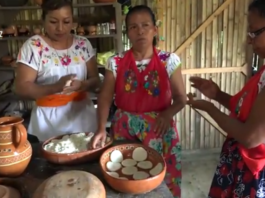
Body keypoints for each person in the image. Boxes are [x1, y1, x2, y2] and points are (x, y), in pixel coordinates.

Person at [90, 5, 186, 198]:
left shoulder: (169, 60)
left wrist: (168, 114)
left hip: (160, 129)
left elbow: (181, 98)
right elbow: (105, 97)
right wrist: (101, 128)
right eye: (133, 27)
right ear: (127, 32)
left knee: (160, 184)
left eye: (145, 25)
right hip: (124, 129)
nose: (140, 31)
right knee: (125, 178)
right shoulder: (115, 62)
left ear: (155, 29)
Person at [187, 0, 265, 197]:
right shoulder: (262, 72)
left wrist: (209, 108)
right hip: (240, 163)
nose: (249, 40)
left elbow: (250, 137)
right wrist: (217, 95)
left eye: (254, 32)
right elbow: (247, 111)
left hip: (253, 171)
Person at [14, 0, 100, 141]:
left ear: (73, 21)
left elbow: (96, 81)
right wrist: (56, 87)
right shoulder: (34, 46)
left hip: (83, 117)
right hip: (48, 121)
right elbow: (21, 88)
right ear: (43, 21)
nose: (60, 28)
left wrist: (83, 85)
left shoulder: (83, 44)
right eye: (53, 22)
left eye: (66, 22)